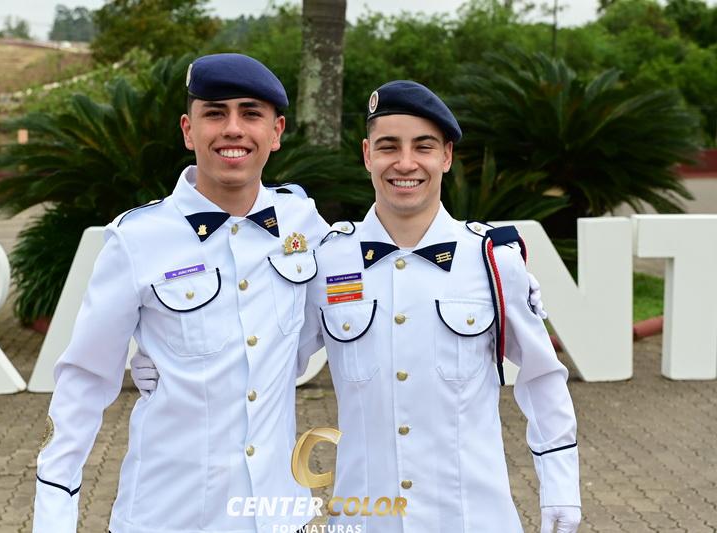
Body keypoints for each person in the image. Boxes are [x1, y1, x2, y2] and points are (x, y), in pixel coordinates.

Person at [130, 81, 567, 532]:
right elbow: (268, 352)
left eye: (423, 147)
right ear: (366, 154)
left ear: (447, 156)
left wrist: (560, 488)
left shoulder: (492, 263)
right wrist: (174, 358)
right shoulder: (327, 259)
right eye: (388, 146)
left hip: (473, 518)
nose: (405, 163)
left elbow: (542, 377)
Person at [33, 53, 328, 533]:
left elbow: (335, 321)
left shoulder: (303, 223)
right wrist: (54, 518)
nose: (233, 129)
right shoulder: (136, 239)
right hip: (170, 516)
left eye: (251, 113)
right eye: (215, 113)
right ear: (189, 131)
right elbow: (83, 382)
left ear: (276, 132)